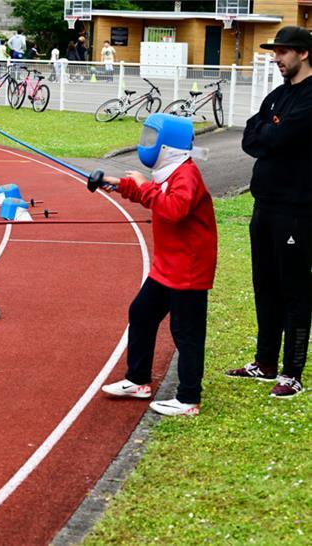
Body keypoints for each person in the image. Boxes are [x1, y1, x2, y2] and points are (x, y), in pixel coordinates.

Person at [100, 114, 216, 416]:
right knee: (141, 312)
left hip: (189, 268)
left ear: (168, 147)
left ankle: (188, 398)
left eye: (153, 139)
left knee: (186, 332)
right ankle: (138, 380)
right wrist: (120, 184)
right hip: (168, 265)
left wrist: (142, 185)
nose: (147, 144)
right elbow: (153, 193)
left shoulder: (186, 174)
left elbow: (174, 209)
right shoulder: (170, 171)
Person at [227, 26, 312, 399]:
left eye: (282, 51)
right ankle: (264, 363)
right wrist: (271, 131)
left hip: (296, 210)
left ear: (303, 53)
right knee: (265, 285)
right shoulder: (277, 96)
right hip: (263, 205)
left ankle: (292, 373)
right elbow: (251, 137)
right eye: (274, 52)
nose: (276, 58)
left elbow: (279, 137)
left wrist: (271, 132)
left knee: (295, 290)